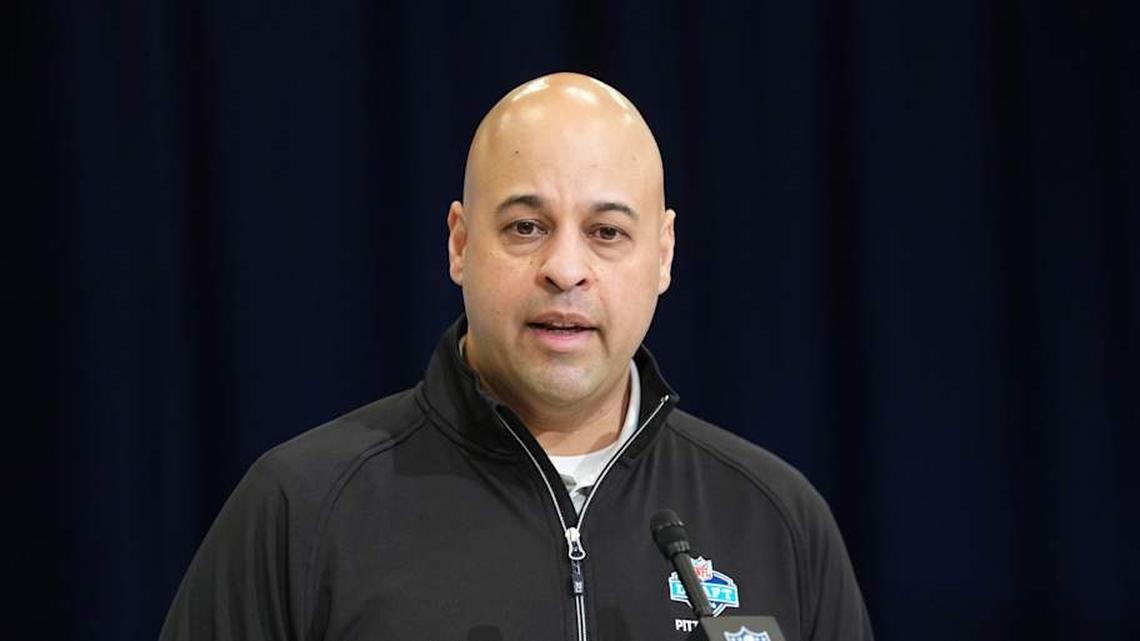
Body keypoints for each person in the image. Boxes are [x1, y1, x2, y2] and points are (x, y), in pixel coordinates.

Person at [159, 72, 874, 641]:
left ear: (664, 252)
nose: (566, 267)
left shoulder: (777, 521)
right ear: (460, 243)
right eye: (527, 226)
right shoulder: (301, 512)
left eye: (607, 231)